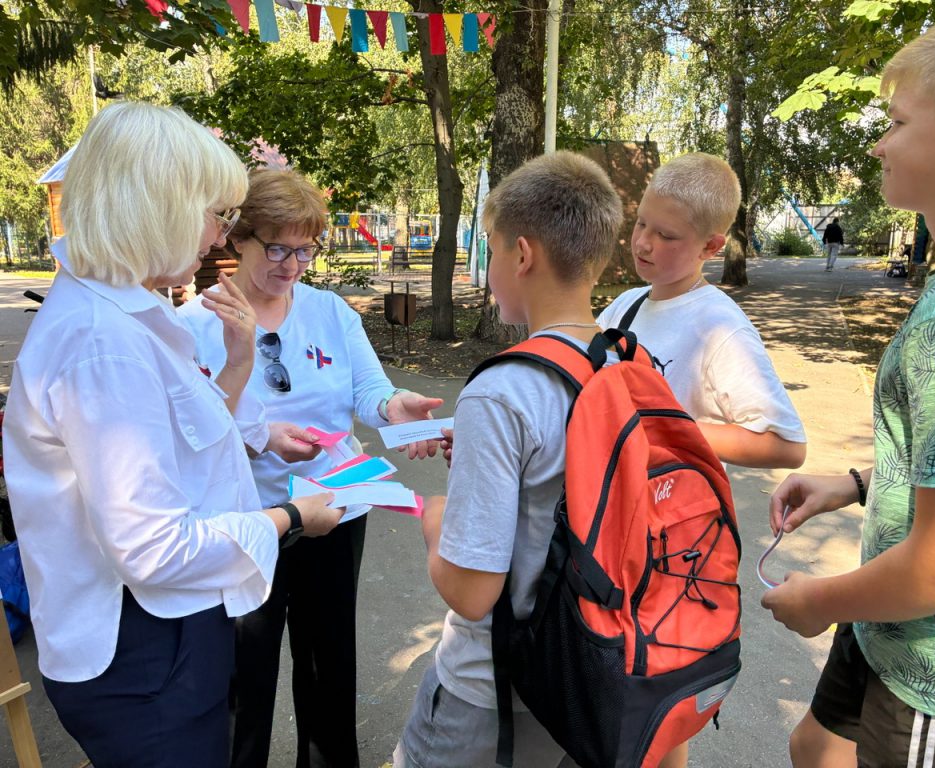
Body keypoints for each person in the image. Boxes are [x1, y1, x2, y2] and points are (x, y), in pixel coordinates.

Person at [2, 102, 338, 768]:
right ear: (160, 207)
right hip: (142, 647)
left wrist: (237, 365)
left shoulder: (124, 310)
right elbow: (153, 548)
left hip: (162, 629)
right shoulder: (104, 343)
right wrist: (292, 516)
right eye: (217, 215)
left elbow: (182, 442)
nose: (219, 238)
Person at [762, 2, 935, 766]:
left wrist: (818, 601)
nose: (879, 143)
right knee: (814, 746)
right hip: (896, 628)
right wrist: (855, 484)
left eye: (899, 122)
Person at [179, 167, 443, 768]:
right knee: (243, 672)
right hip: (247, 520)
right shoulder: (194, 325)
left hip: (334, 508)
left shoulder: (330, 312)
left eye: (305, 249)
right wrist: (260, 439)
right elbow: (189, 439)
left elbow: (368, 390)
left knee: (329, 662)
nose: (292, 265)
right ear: (237, 237)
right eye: (277, 248)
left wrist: (394, 406)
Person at [393, 151, 622, 767]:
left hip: (491, 691)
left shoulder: (500, 392)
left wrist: (436, 517)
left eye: (491, 249)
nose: (491, 266)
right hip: (586, 670)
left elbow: (472, 592)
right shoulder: (629, 360)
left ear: (522, 255)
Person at [597, 153, 806, 471]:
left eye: (665, 235)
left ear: (710, 247)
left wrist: (659, 427)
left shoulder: (721, 328)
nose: (642, 243)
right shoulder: (625, 305)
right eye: (641, 223)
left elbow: (786, 445)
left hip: (667, 499)